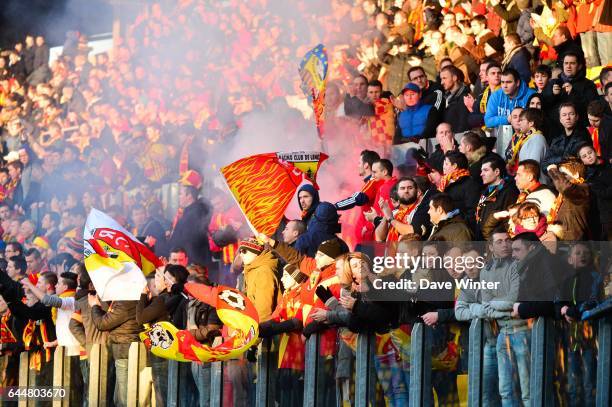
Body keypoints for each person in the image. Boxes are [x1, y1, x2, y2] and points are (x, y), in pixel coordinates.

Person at [89, 295, 140, 407]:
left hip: (124, 349)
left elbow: (102, 324)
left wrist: (94, 306)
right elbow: (110, 318)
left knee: (123, 395)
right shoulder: (128, 301)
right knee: (119, 395)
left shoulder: (126, 303)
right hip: (124, 349)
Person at [167, 181, 212, 266]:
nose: (178, 197)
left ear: (189, 196)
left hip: (193, 263)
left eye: (180, 194)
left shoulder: (194, 214)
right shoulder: (191, 212)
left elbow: (189, 241)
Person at [375, 176, 433, 241]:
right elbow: (379, 238)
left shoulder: (422, 209)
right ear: (397, 192)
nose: (406, 191)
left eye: (410, 188)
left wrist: (391, 219)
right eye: (402, 188)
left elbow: (412, 232)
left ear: (417, 191)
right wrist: (386, 216)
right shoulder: (395, 212)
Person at [476, 155, 519, 240]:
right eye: (481, 170)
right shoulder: (485, 192)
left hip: (499, 243)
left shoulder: (509, 192)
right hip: (484, 241)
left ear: (497, 172)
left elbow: (508, 221)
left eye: (486, 170)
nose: (481, 174)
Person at [546, 159, 590, 241]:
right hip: (564, 240)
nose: (560, 177)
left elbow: (565, 187)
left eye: (563, 174)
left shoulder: (582, 189)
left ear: (576, 175)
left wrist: (553, 171)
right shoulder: (562, 194)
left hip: (575, 243)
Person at [238, 238, 280, 322]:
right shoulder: (251, 268)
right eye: (240, 251)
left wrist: (259, 330)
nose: (241, 255)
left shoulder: (264, 271)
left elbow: (264, 309)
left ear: (256, 252)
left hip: (263, 325)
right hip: (252, 319)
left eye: (244, 251)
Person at [542, 103, 591, 171]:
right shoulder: (557, 139)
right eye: (564, 115)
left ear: (577, 117)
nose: (568, 118)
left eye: (571, 114)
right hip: (556, 179)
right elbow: (544, 164)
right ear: (560, 119)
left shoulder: (583, 136)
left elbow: (576, 163)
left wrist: (555, 163)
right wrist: (562, 159)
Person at [438, 151, 481, 228]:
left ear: (454, 166)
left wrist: (459, 225)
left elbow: (472, 212)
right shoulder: (445, 182)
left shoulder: (470, 184)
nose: (443, 166)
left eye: (446, 164)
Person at [578, 143, 612, 239]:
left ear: (595, 151)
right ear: (582, 161)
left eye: (590, 152)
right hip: (608, 213)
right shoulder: (590, 177)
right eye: (584, 156)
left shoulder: (608, 163)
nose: (588, 156)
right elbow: (604, 193)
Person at [559, 52, 600, 128]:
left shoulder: (588, 85)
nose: (568, 66)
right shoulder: (556, 83)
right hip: (559, 131)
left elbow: (593, 109)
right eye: (566, 63)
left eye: (572, 63)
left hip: (582, 129)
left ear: (579, 66)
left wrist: (573, 93)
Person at [505, 108, 548, 177]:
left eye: (522, 120)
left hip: (534, 184)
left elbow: (532, 168)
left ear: (531, 123)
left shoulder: (537, 139)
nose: (519, 122)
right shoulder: (528, 138)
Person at [439, 65, 471, 133]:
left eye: (444, 78)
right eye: (441, 79)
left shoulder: (464, 97)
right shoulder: (446, 98)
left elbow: (464, 124)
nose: (441, 82)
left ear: (454, 78)